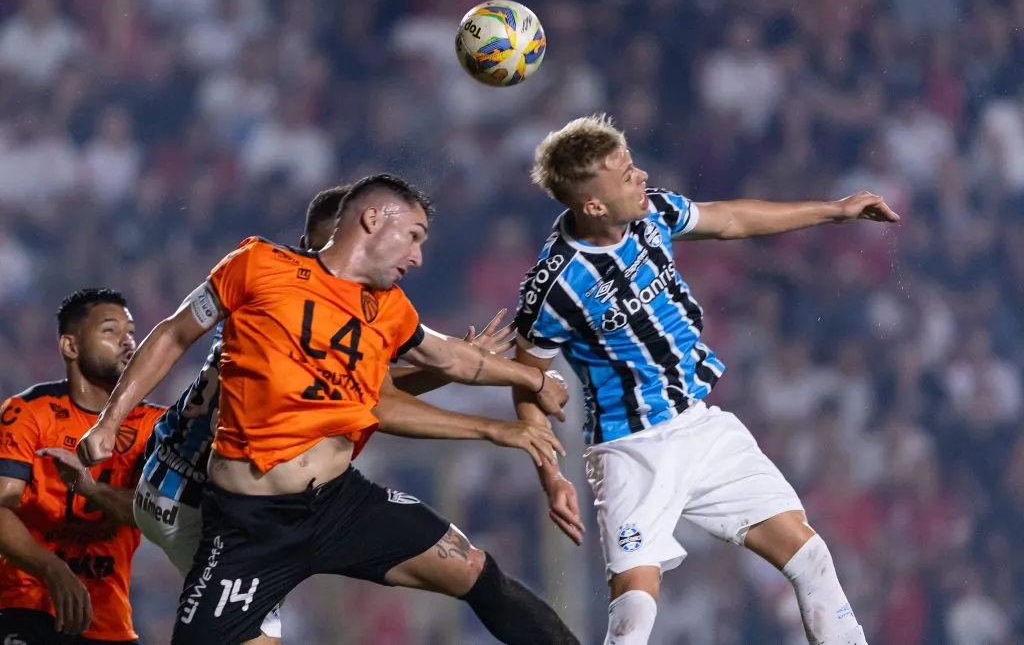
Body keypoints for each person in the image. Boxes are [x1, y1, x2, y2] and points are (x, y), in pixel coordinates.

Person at [78, 173, 580, 645]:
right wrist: (110, 421)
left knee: (473, 569)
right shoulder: (258, 268)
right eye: (414, 236)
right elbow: (173, 331)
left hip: (339, 503)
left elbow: (446, 355)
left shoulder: (387, 308)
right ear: (373, 220)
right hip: (248, 522)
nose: (419, 257)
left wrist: (533, 376)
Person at [512, 114, 901, 645]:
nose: (641, 176)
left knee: (810, 557)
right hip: (630, 448)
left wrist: (834, 212)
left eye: (633, 165)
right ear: (593, 205)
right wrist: (550, 475)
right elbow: (525, 376)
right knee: (633, 618)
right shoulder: (555, 285)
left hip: (700, 425)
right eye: (626, 175)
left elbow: (732, 219)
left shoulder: (652, 213)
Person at [0, 289, 164, 644]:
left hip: (109, 622)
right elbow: (1, 506)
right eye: (110, 330)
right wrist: (50, 567)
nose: (128, 341)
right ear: (70, 347)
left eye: (131, 331)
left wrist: (91, 489)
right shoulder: (26, 412)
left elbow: (151, 516)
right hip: (27, 606)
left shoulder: (155, 425)